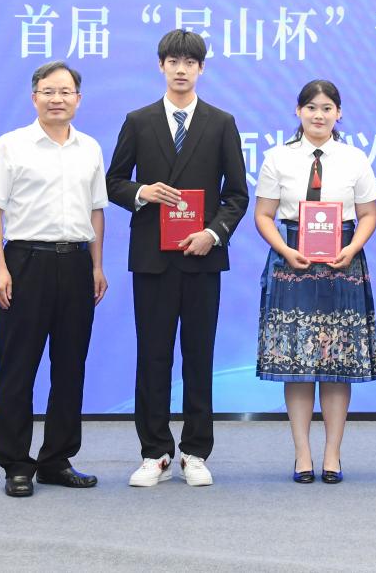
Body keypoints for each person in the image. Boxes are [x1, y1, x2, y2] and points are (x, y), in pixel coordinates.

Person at [106, 29, 249, 487]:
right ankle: (155, 452)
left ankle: (195, 451)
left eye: (190, 62)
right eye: (173, 61)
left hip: (202, 258)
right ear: (161, 66)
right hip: (152, 259)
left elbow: (237, 194)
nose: (181, 69)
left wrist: (213, 233)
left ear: (201, 68)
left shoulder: (221, 122)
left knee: (199, 357)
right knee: (152, 357)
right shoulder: (139, 121)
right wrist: (142, 192)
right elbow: (113, 182)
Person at [0, 61, 109, 497]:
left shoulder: (90, 148)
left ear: (78, 99)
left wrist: (96, 266)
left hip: (76, 264)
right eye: (49, 91)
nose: (57, 99)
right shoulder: (11, 145)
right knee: (18, 367)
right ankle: (16, 463)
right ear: (34, 97)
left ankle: (56, 459)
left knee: (70, 367)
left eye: (65, 92)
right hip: (26, 263)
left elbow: (96, 211)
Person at [254, 79, 376, 484]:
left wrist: (353, 247)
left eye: (327, 108)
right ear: (298, 111)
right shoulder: (278, 158)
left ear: (338, 113)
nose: (319, 115)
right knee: (296, 363)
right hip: (292, 261)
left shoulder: (355, 159)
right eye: (311, 107)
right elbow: (263, 215)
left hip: (344, 260)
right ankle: (302, 454)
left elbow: (369, 215)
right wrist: (285, 250)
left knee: (336, 363)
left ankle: (332, 454)